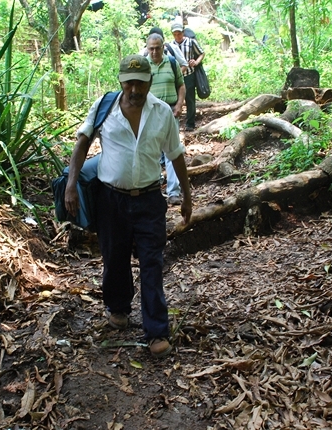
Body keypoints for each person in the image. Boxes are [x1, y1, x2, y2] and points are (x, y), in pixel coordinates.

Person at [64, 54, 192, 358]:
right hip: (111, 200)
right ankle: (118, 307)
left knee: (152, 262)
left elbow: (176, 154)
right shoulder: (104, 107)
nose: (135, 89)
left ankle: (156, 330)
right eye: (129, 83)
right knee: (115, 257)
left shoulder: (162, 113)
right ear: (121, 81)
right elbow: (82, 143)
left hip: (149, 199)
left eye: (141, 83)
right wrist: (70, 185)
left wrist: (187, 196)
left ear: (150, 81)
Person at [145, 33, 186, 206]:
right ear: (147, 48)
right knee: (151, 152)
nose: (154, 52)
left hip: (170, 112)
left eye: (157, 48)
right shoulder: (143, 65)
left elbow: (181, 85)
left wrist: (179, 104)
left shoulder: (172, 62)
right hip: (149, 113)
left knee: (172, 152)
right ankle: (153, 191)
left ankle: (174, 192)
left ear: (163, 47)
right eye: (151, 49)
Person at [169, 21, 205, 131]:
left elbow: (201, 53)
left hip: (189, 75)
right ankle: (175, 123)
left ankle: (190, 124)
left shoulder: (191, 42)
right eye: (175, 34)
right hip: (176, 77)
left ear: (183, 32)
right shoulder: (170, 45)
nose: (177, 36)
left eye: (179, 33)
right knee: (175, 100)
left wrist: (196, 62)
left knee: (190, 100)